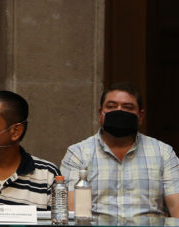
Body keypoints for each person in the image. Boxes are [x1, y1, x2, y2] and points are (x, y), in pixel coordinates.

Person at [61, 82, 179, 218]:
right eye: (111, 106)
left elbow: (176, 207)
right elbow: (71, 212)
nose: (119, 111)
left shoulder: (163, 153)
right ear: (100, 114)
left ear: (140, 116)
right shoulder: (78, 153)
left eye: (127, 107)